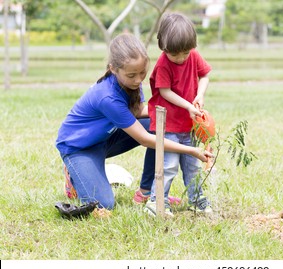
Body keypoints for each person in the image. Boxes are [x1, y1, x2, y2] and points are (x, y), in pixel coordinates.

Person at [55, 33, 212, 213]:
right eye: (131, 75)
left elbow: (137, 111)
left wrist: (183, 111)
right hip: (79, 148)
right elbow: (145, 139)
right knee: (103, 205)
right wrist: (191, 150)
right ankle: (74, 172)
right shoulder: (107, 97)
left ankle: (146, 192)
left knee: (159, 125)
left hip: (106, 137)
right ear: (113, 69)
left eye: (142, 73)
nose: (138, 80)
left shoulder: (130, 82)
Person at [145, 13, 213, 217]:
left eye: (185, 53)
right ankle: (157, 202)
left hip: (189, 124)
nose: (181, 58)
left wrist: (199, 95)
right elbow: (165, 92)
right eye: (176, 54)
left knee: (193, 165)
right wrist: (188, 106)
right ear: (163, 47)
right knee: (169, 166)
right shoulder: (164, 63)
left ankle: (196, 199)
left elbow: (205, 75)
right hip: (168, 124)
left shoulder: (192, 55)